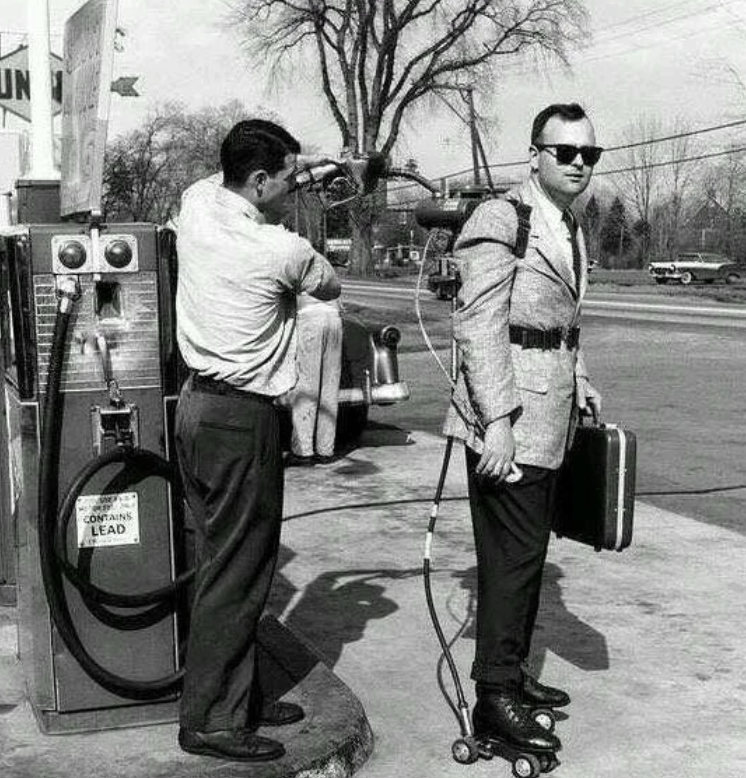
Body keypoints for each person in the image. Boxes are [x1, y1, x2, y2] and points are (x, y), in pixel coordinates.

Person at [173, 119, 341, 762]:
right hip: (242, 421)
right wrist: (321, 198)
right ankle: (213, 720)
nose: (296, 186)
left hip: (195, 408)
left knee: (219, 560)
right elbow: (327, 283)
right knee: (239, 573)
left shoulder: (196, 204)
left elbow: (223, 183)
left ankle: (234, 696)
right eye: (288, 178)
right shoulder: (280, 250)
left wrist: (314, 168)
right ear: (262, 180)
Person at [442, 102, 603, 753]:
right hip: (509, 416)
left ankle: (513, 675)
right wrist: (498, 422)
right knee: (509, 564)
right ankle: (495, 700)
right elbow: (479, 323)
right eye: (565, 152)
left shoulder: (566, 224)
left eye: (588, 154)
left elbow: (560, 317)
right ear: (535, 153)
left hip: (550, 413)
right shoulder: (501, 216)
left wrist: (581, 376)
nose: (578, 164)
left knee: (529, 557)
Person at [285, 294, 344, 466]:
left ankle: (303, 451)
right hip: (334, 317)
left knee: (307, 386)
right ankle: (325, 449)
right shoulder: (328, 269)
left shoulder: (301, 267)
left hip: (309, 316)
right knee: (330, 385)